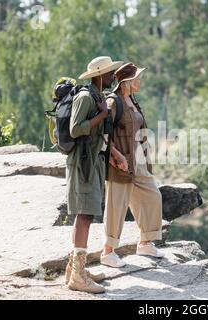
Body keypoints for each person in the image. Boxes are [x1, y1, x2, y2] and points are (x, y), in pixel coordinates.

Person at [65, 56, 123, 293]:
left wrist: (111, 155)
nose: (113, 76)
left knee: (86, 213)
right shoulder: (86, 97)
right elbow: (75, 129)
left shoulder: (97, 97)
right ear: (99, 75)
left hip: (94, 161)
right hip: (83, 163)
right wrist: (102, 115)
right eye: (109, 73)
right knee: (85, 214)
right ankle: (78, 276)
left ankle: (75, 270)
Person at [101, 62, 164, 269]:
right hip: (120, 162)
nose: (140, 81)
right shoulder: (113, 102)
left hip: (137, 159)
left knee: (152, 194)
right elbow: (102, 135)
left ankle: (145, 242)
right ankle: (107, 252)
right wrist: (116, 156)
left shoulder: (132, 101)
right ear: (127, 81)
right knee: (116, 205)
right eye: (138, 77)